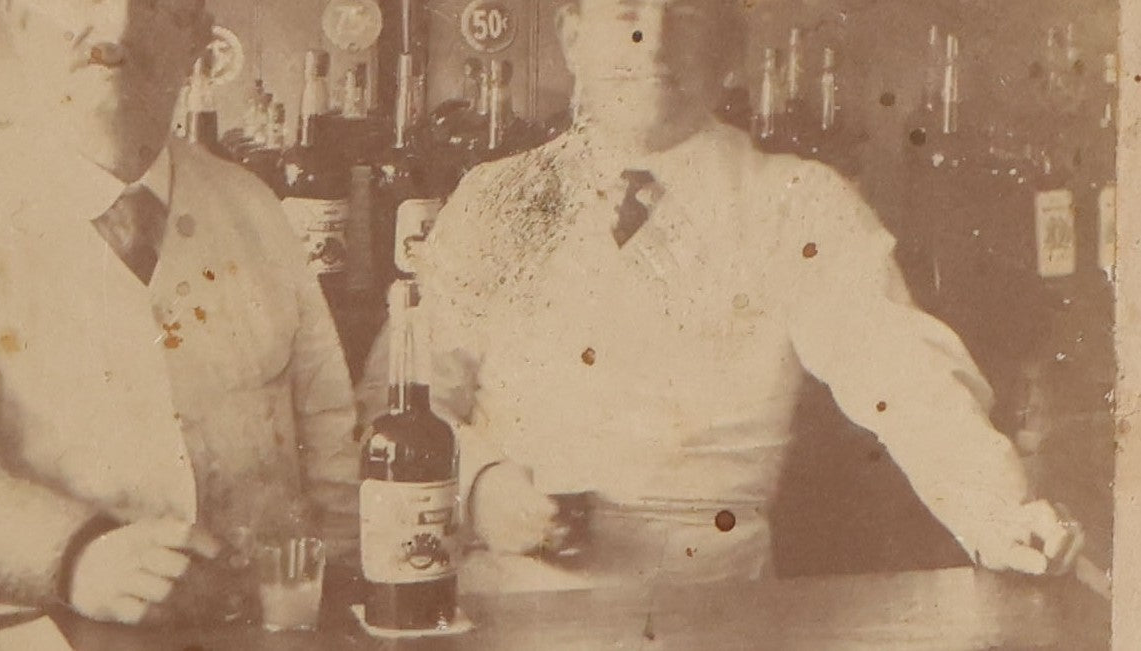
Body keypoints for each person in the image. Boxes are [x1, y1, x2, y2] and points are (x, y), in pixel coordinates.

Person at [358, 0, 1080, 590]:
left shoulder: (795, 203)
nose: (653, 40)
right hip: (512, 609)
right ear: (571, 37)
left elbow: (903, 374)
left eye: (688, 15)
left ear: (730, 52)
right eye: (624, 13)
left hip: (716, 612)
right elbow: (401, 399)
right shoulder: (498, 200)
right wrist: (479, 487)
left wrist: (999, 514)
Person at [0, 0, 360, 641]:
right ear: (20, 23)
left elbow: (334, 462)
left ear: (197, 35)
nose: (113, 30)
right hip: (20, 632)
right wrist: (76, 558)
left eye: (153, 6)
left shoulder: (254, 211)